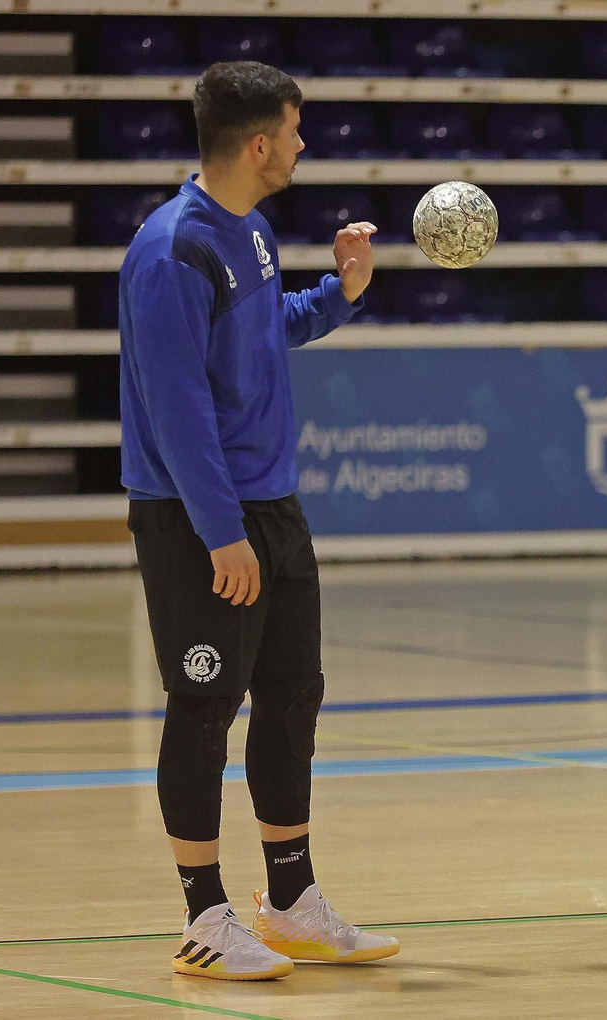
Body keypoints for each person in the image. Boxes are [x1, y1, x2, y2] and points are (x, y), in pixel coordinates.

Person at [119, 60, 398, 981]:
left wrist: (340, 294)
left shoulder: (250, 230)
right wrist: (220, 530)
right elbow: (176, 407)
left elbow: (264, 329)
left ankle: (290, 902)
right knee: (204, 704)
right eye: (295, 129)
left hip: (272, 506)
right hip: (199, 518)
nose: (303, 144)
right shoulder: (170, 250)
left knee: (291, 696)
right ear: (258, 143)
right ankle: (204, 915)